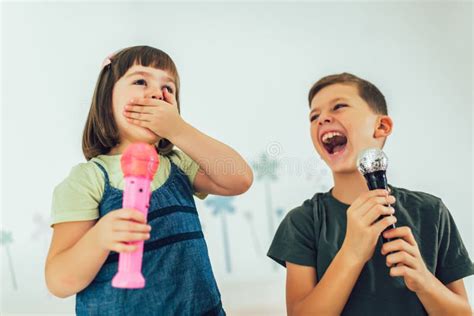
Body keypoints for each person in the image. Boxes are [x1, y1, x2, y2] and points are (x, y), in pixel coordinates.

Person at [45, 45, 253, 316]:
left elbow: (240, 178)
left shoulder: (178, 164)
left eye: (169, 89)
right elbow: (59, 281)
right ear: (107, 99)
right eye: (141, 81)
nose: (157, 93)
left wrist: (178, 129)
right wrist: (99, 238)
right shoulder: (89, 179)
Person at [267, 73, 473, 315]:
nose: (322, 119)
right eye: (314, 116)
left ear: (381, 127)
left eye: (339, 106)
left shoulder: (431, 211)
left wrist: (425, 282)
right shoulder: (302, 222)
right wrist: (352, 253)